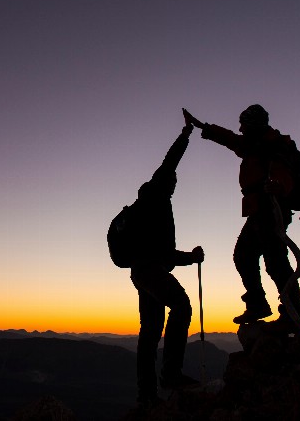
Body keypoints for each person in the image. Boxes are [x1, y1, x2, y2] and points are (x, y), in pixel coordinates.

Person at [183, 104, 300, 332]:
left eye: (244, 124)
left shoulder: (272, 146)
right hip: (260, 210)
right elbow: (231, 140)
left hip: (270, 209)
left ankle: (292, 313)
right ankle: (262, 305)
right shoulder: (255, 145)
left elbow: (283, 173)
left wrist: (279, 187)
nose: (240, 128)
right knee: (247, 256)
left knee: (274, 262)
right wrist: (203, 127)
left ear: (253, 125)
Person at [129, 109, 205, 408]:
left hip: (143, 271)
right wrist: (186, 134)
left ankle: (146, 395)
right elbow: (169, 161)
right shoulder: (156, 197)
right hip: (149, 271)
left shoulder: (148, 207)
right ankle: (171, 375)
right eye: (171, 181)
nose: (174, 183)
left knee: (149, 333)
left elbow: (166, 254)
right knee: (182, 305)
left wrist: (190, 257)